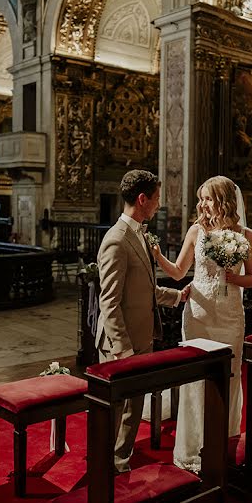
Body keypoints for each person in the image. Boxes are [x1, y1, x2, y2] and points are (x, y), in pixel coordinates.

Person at [152, 176, 252, 473]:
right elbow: (177, 272)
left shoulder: (246, 235)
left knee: (230, 378)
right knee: (196, 381)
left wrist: (232, 277)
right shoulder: (196, 231)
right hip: (197, 315)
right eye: (201, 198)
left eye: (208, 198)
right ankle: (193, 450)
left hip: (230, 316)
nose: (202, 204)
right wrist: (158, 255)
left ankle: (223, 445)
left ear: (224, 200)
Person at [95, 169, 188, 473]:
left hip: (141, 338)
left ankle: (120, 463)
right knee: (117, 409)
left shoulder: (140, 235)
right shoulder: (117, 240)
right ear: (142, 199)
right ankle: (104, 467)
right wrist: (122, 349)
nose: (159, 205)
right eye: (157, 199)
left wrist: (177, 297)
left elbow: (144, 291)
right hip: (121, 345)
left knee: (134, 407)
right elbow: (109, 301)